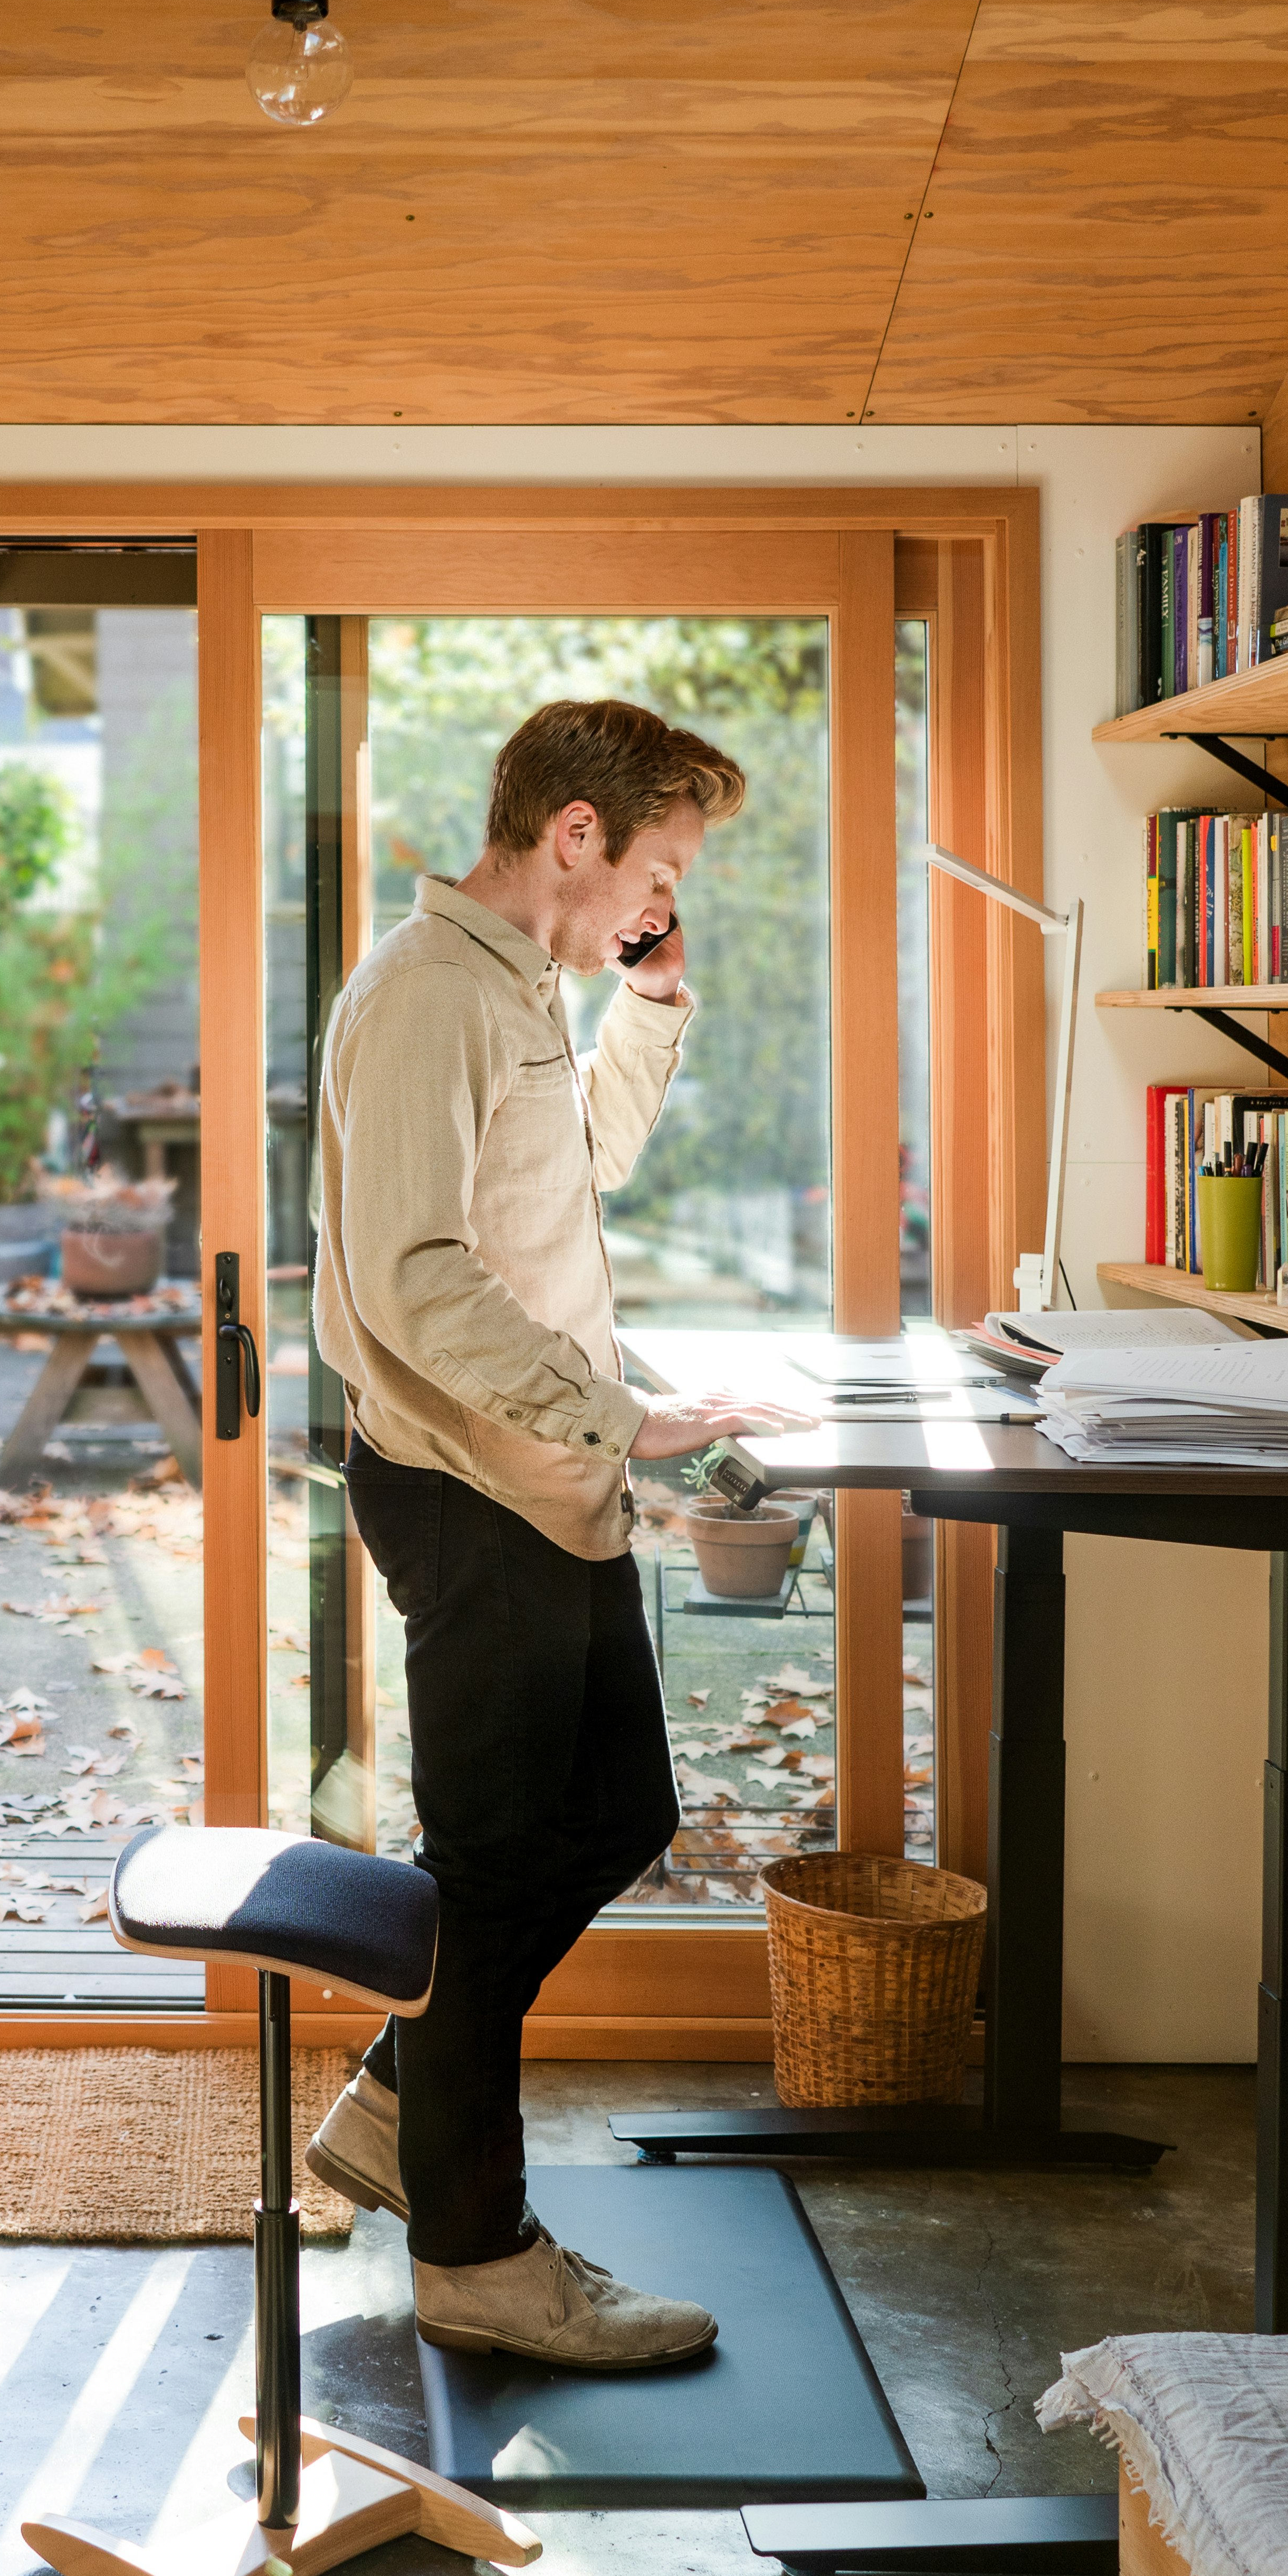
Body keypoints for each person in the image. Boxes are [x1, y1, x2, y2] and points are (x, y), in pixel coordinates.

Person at [297, 698, 813, 2370]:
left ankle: (401, 2103)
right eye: (659, 869)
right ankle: (476, 2256)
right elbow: (413, 1278)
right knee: (496, 1863)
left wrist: (649, 1008)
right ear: (576, 835)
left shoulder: (520, 985)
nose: (660, 902)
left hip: (544, 1476)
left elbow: (570, 1170)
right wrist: (619, 1412)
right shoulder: (426, 994)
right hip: (476, 1486)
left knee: (616, 1810)